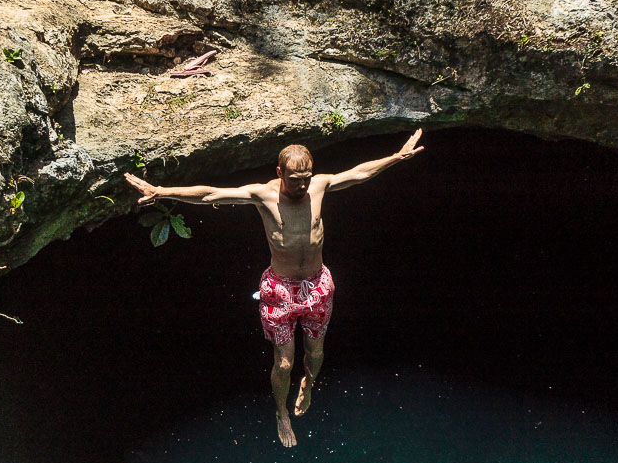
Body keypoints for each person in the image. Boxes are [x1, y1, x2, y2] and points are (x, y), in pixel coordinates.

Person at [123, 129, 426, 446]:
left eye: (306, 177)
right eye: (295, 178)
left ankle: (308, 383)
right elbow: (210, 193)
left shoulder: (319, 186)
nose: (302, 185)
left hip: (318, 286)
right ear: (280, 173)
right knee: (283, 362)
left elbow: (360, 173)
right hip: (279, 289)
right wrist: (162, 191)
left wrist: (396, 157)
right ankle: (281, 412)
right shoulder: (263, 195)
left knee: (316, 354)